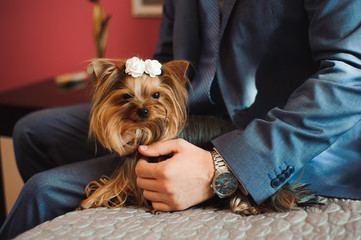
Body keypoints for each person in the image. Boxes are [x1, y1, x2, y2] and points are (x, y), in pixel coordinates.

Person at [1, 0, 361, 238]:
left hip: (271, 129)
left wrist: (222, 167)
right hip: (187, 111)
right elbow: (165, 61)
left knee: (42, 192)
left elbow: (349, 75)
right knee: (32, 131)